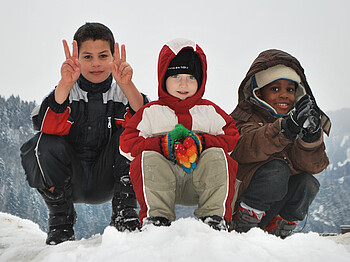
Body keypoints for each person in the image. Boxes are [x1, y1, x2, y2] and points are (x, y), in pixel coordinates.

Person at [20, 22, 149, 245]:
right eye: (87, 57)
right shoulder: (66, 91)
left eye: (103, 55)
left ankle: (124, 217)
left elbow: (146, 122)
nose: (96, 63)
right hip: (72, 180)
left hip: (109, 178)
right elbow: (44, 125)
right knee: (40, 144)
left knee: (135, 136)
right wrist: (65, 84)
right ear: (77, 58)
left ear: (114, 56)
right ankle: (61, 223)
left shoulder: (123, 92)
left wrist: (128, 86)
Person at [119, 38, 239, 231]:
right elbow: (127, 144)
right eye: (176, 76)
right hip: (163, 183)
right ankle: (157, 219)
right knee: (146, 157)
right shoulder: (151, 112)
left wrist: (201, 141)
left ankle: (215, 218)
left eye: (191, 77)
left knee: (218, 156)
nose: (184, 83)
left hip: (199, 181)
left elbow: (231, 138)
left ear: (200, 80)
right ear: (163, 78)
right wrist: (161, 145)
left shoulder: (209, 111)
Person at [229, 49, 331, 238]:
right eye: (275, 89)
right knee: (277, 170)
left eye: (290, 90)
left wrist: (310, 139)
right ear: (258, 92)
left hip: (275, 201)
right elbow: (247, 147)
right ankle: (243, 222)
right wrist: (284, 129)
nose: (284, 95)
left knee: (307, 183)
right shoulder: (243, 117)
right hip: (242, 199)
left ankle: (279, 226)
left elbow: (315, 166)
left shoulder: (298, 121)